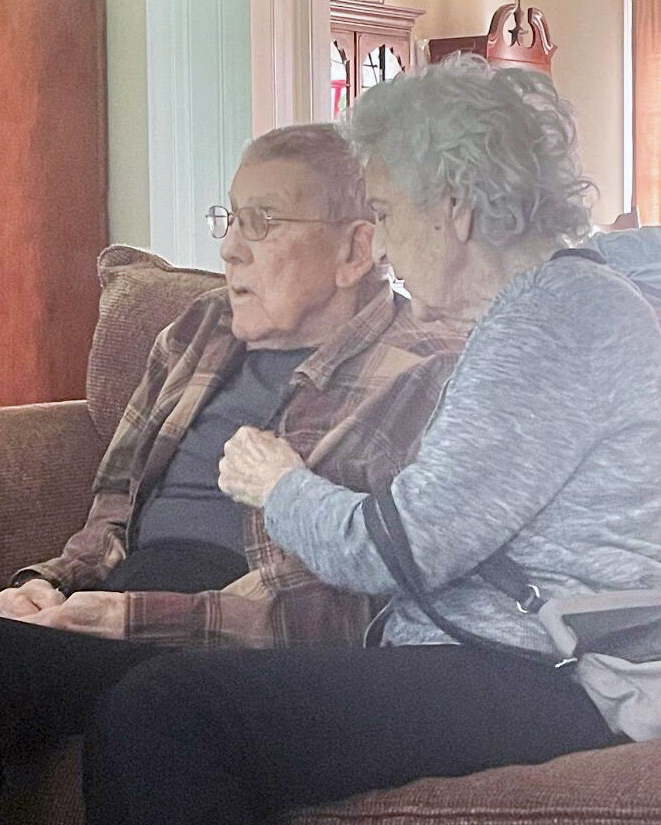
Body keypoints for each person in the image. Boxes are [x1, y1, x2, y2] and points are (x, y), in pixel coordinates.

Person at [81, 56, 661, 825]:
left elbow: (398, 548)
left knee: (166, 710)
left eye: (386, 211)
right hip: (502, 655)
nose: (381, 243)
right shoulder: (557, 302)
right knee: (167, 692)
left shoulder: (550, 320)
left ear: (452, 208)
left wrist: (276, 481)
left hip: (539, 672)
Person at [0, 125, 461, 763]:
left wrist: (119, 619)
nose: (230, 249)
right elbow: (110, 518)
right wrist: (45, 588)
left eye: (262, 222)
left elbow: (340, 609)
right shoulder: (197, 329)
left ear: (357, 249)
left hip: (228, 638)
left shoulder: (420, 372)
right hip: (122, 601)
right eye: (230, 218)